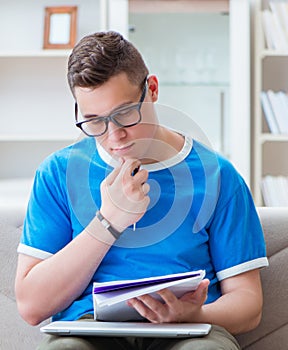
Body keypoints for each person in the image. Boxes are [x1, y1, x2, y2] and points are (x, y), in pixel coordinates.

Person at [15, 31, 268, 350]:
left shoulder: (218, 175)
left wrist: (193, 314)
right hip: (88, 328)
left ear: (151, 89)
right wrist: (108, 221)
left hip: (190, 329)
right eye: (94, 121)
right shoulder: (57, 173)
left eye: (123, 114)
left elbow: (249, 305)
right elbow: (31, 307)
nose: (114, 135)